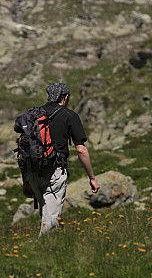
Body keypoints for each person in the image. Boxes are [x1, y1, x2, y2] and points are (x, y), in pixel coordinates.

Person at [14, 82, 100, 236]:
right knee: (52, 216)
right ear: (65, 97)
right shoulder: (70, 116)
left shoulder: (35, 114)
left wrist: (26, 178)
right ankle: (44, 250)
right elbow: (81, 150)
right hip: (54, 169)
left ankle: (46, 249)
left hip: (32, 170)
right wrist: (92, 177)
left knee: (45, 211)